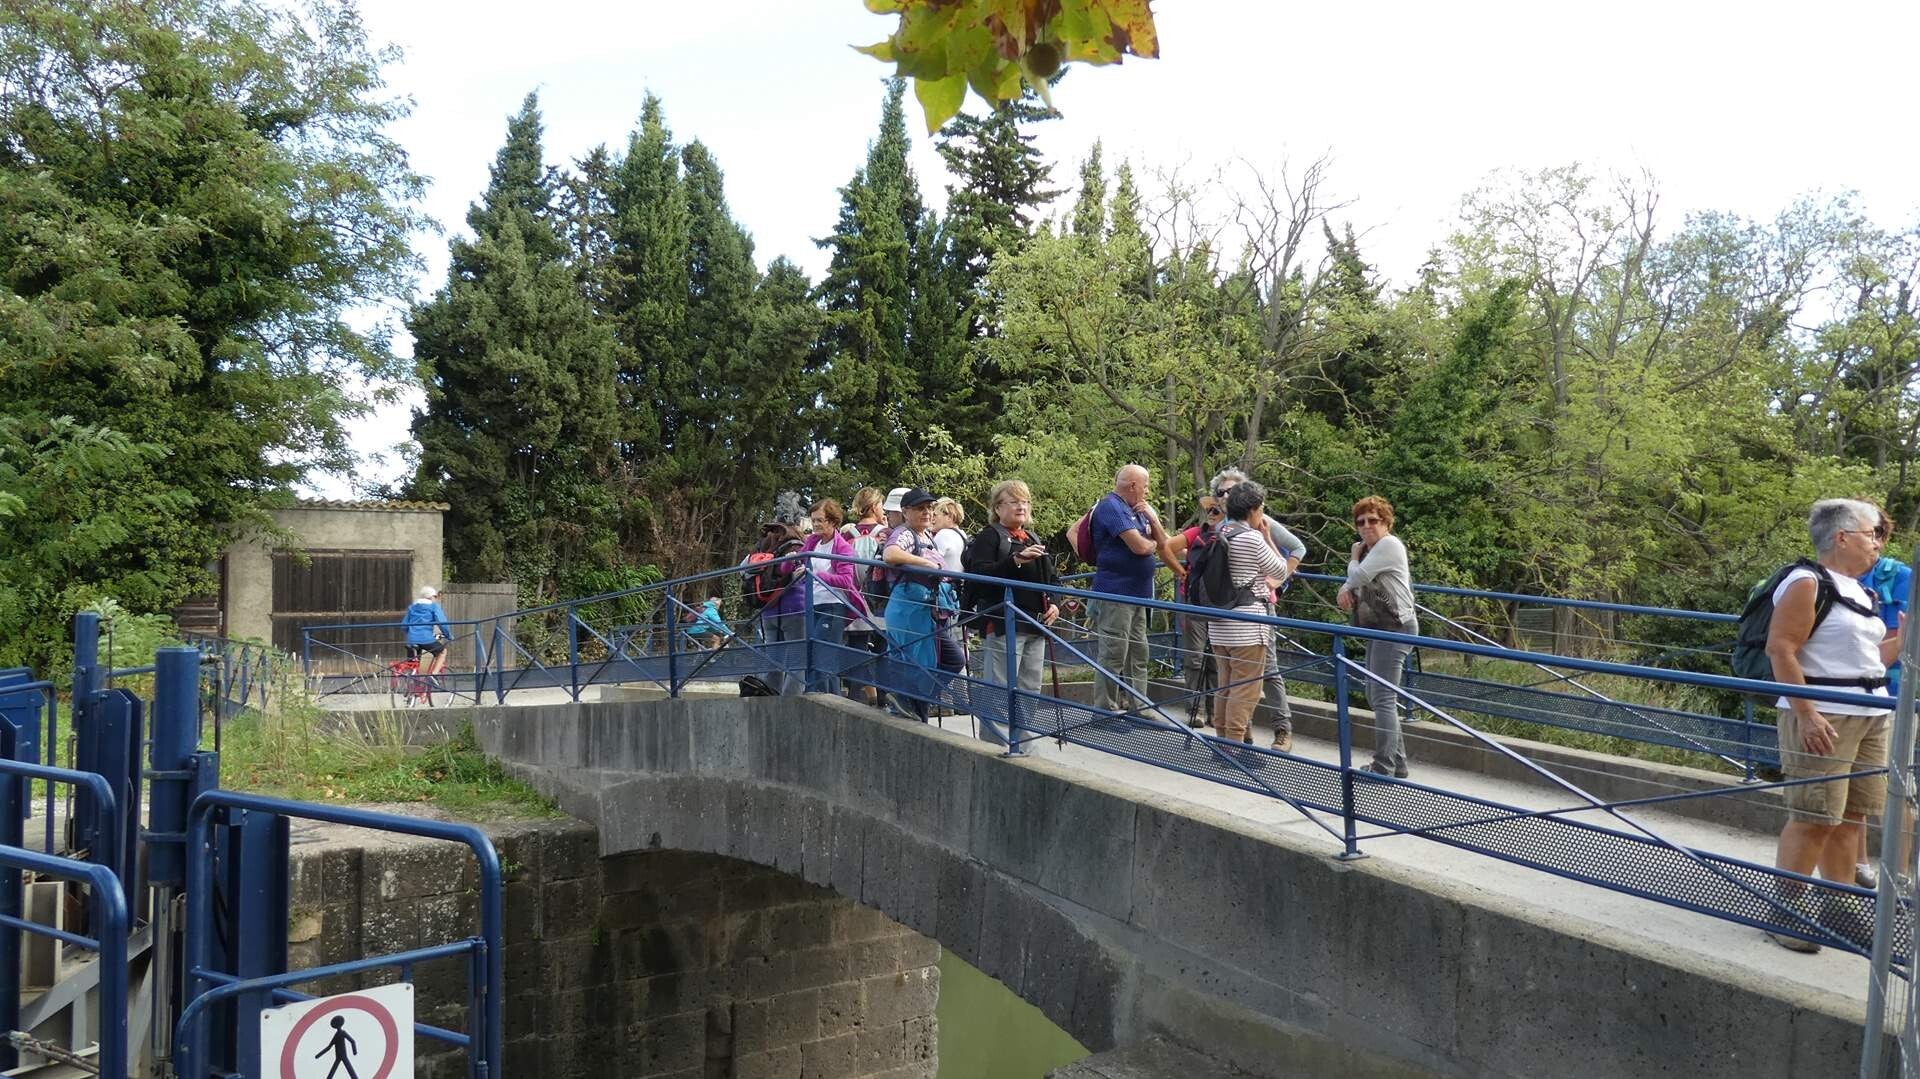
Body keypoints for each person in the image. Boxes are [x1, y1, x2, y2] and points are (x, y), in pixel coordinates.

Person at [1764, 498, 1900, 953]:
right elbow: (1780, 648)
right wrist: (1806, 714)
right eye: (1872, 534)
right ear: (1842, 537)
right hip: (1824, 714)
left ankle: (1838, 909)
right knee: (1814, 816)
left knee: (1851, 816)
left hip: (1870, 712)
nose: (1878, 544)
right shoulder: (1806, 582)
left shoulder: (1861, 591)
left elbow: (1867, 662)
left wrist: (1905, 638)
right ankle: (1785, 912)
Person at [1204, 468, 1307, 749]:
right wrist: (1267, 537)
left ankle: (1222, 741)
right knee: (1245, 689)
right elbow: (1280, 570)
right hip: (1248, 626)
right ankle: (1234, 747)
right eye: (1260, 508)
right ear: (1252, 510)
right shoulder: (1252, 537)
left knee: (1225, 685)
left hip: (1220, 622)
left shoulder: (1218, 531)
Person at [1089, 464, 1182, 714]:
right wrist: (1152, 543)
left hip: (1140, 594)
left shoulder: (1139, 510)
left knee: (1139, 652)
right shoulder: (1111, 506)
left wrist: (1153, 518)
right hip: (1116, 593)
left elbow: (1164, 543)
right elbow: (1140, 547)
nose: (1148, 490)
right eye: (1146, 485)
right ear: (1133, 485)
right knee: (1114, 652)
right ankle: (1105, 708)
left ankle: (1139, 705)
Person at [964, 480, 1061, 715]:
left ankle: (1024, 737)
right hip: (1003, 622)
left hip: (1036, 623)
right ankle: (997, 737)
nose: (1021, 507)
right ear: (997, 508)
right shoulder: (990, 537)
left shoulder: (1032, 538)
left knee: (1030, 688)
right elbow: (979, 574)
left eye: (1025, 501)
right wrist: (1015, 561)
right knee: (1000, 688)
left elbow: (1053, 579)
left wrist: (1055, 604)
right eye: (1014, 501)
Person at [1337, 496, 1417, 778]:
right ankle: (1398, 763)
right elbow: (1358, 579)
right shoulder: (1372, 551)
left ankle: (1383, 766)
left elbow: (1359, 576)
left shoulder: (1388, 545)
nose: (1367, 526)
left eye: (1374, 520)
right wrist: (1348, 584)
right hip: (1379, 628)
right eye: (1361, 522)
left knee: (1382, 697)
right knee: (1376, 695)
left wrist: (1352, 560)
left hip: (1396, 628)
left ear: (1387, 523)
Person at [883, 488, 946, 720]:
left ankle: (912, 704)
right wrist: (925, 564)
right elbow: (890, 554)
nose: (927, 512)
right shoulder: (905, 533)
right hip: (907, 605)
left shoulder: (927, 536)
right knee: (913, 661)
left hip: (923, 607)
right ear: (905, 512)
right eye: (920, 508)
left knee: (931, 662)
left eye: (929, 508)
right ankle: (903, 702)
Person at [796, 498, 868, 694]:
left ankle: (822, 700)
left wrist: (815, 574)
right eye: (813, 520)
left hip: (833, 607)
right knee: (814, 657)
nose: (815, 524)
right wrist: (790, 562)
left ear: (833, 521)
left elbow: (846, 580)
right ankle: (822, 699)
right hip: (812, 605)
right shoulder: (812, 542)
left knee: (822, 657)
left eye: (820, 520)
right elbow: (796, 564)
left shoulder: (843, 547)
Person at [1167, 492, 1224, 730]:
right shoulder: (1195, 534)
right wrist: (1181, 572)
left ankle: (1215, 711)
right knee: (1195, 657)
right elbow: (1166, 547)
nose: (1211, 514)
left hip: (1222, 605)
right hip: (1195, 602)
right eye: (1209, 510)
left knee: (1217, 661)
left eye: (1216, 510)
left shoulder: (1235, 536)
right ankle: (1195, 709)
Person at [753, 492, 809, 694]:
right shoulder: (797, 540)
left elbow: (745, 567)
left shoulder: (766, 538)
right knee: (797, 659)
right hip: (794, 605)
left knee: (773, 657)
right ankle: (790, 703)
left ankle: (769, 697)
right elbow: (798, 571)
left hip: (768, 605)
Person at [841, 486, 890, 704]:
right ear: (875, 506)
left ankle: (854, 698)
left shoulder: (846, 534)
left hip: (853, 598)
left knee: (856, 648)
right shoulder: (886, 533)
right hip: (879, 598)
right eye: (881, 505)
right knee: (883, 650)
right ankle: (883, 700)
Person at [930, 498, 971, 679]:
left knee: (946, 647)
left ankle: (948, 693)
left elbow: (931, 559)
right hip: (958, 594)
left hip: (944, 597)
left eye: (936, 514)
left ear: (949, 515)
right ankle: (963, 691)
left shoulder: (943, 535)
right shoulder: (961, 535)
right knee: (960, 644)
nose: (932, 518)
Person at [403, 586, 453, 676]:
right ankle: (434, 675)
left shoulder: (412, 607)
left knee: (413, 665)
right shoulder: (433, 607)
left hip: (411, 640)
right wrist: (448, 635)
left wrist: (411, 634)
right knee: (442, 652)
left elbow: (404, 625)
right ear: (430, 597)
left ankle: (411, 679)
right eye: (435, 596)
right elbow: (442, 623)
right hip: (426, 639)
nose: (436, 599)